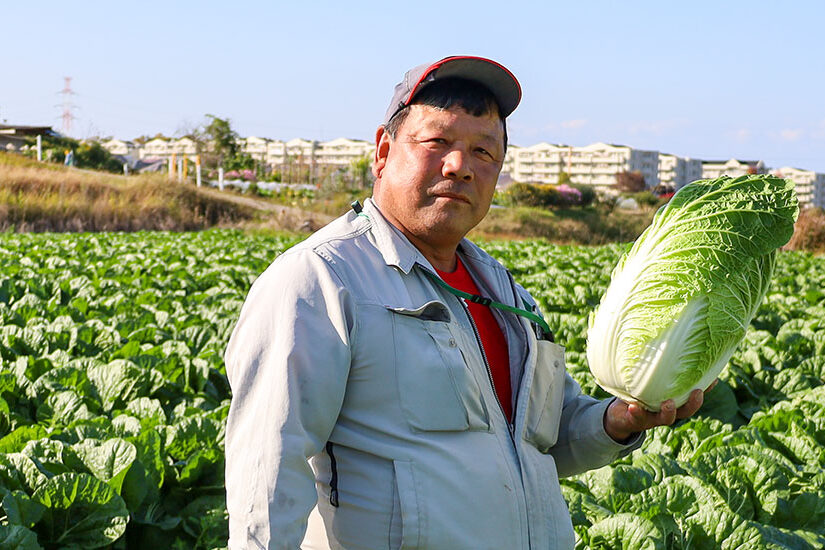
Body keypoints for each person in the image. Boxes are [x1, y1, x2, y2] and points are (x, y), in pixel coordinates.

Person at [224, 55, 708, 550]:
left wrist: (618, 421)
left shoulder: (504, 292)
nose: (460, 167)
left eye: (483, 151)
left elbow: (544, 439)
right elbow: (267, 473)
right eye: (437, 142)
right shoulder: (320, 279)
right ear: (383, 152)